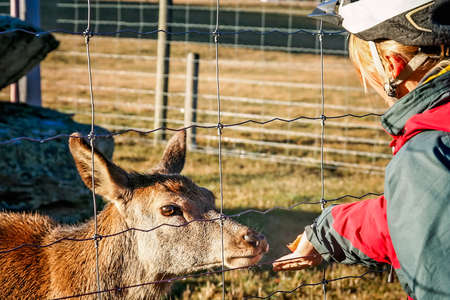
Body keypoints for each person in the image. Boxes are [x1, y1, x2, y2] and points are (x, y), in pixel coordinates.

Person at [272, 1, 450, 300]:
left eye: (368, 73)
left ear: (394, 67)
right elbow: (425, 214)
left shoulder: (428, 153)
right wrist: (330, 230)